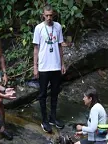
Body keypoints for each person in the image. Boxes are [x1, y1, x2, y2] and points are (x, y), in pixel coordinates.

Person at [33, 4, 66, 133]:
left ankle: (53, 117)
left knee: (55, 93)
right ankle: (44, 120)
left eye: (51, 15)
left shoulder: (57, 27)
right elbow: (36, 48)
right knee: (42, 94)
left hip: (56, 65)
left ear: (54, 15)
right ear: (43, 15)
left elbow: (60, 46)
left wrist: (62, 64)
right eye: (46, 15)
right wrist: (35, 67)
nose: (49, 18)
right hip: (44, 66)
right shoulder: (39, 28)